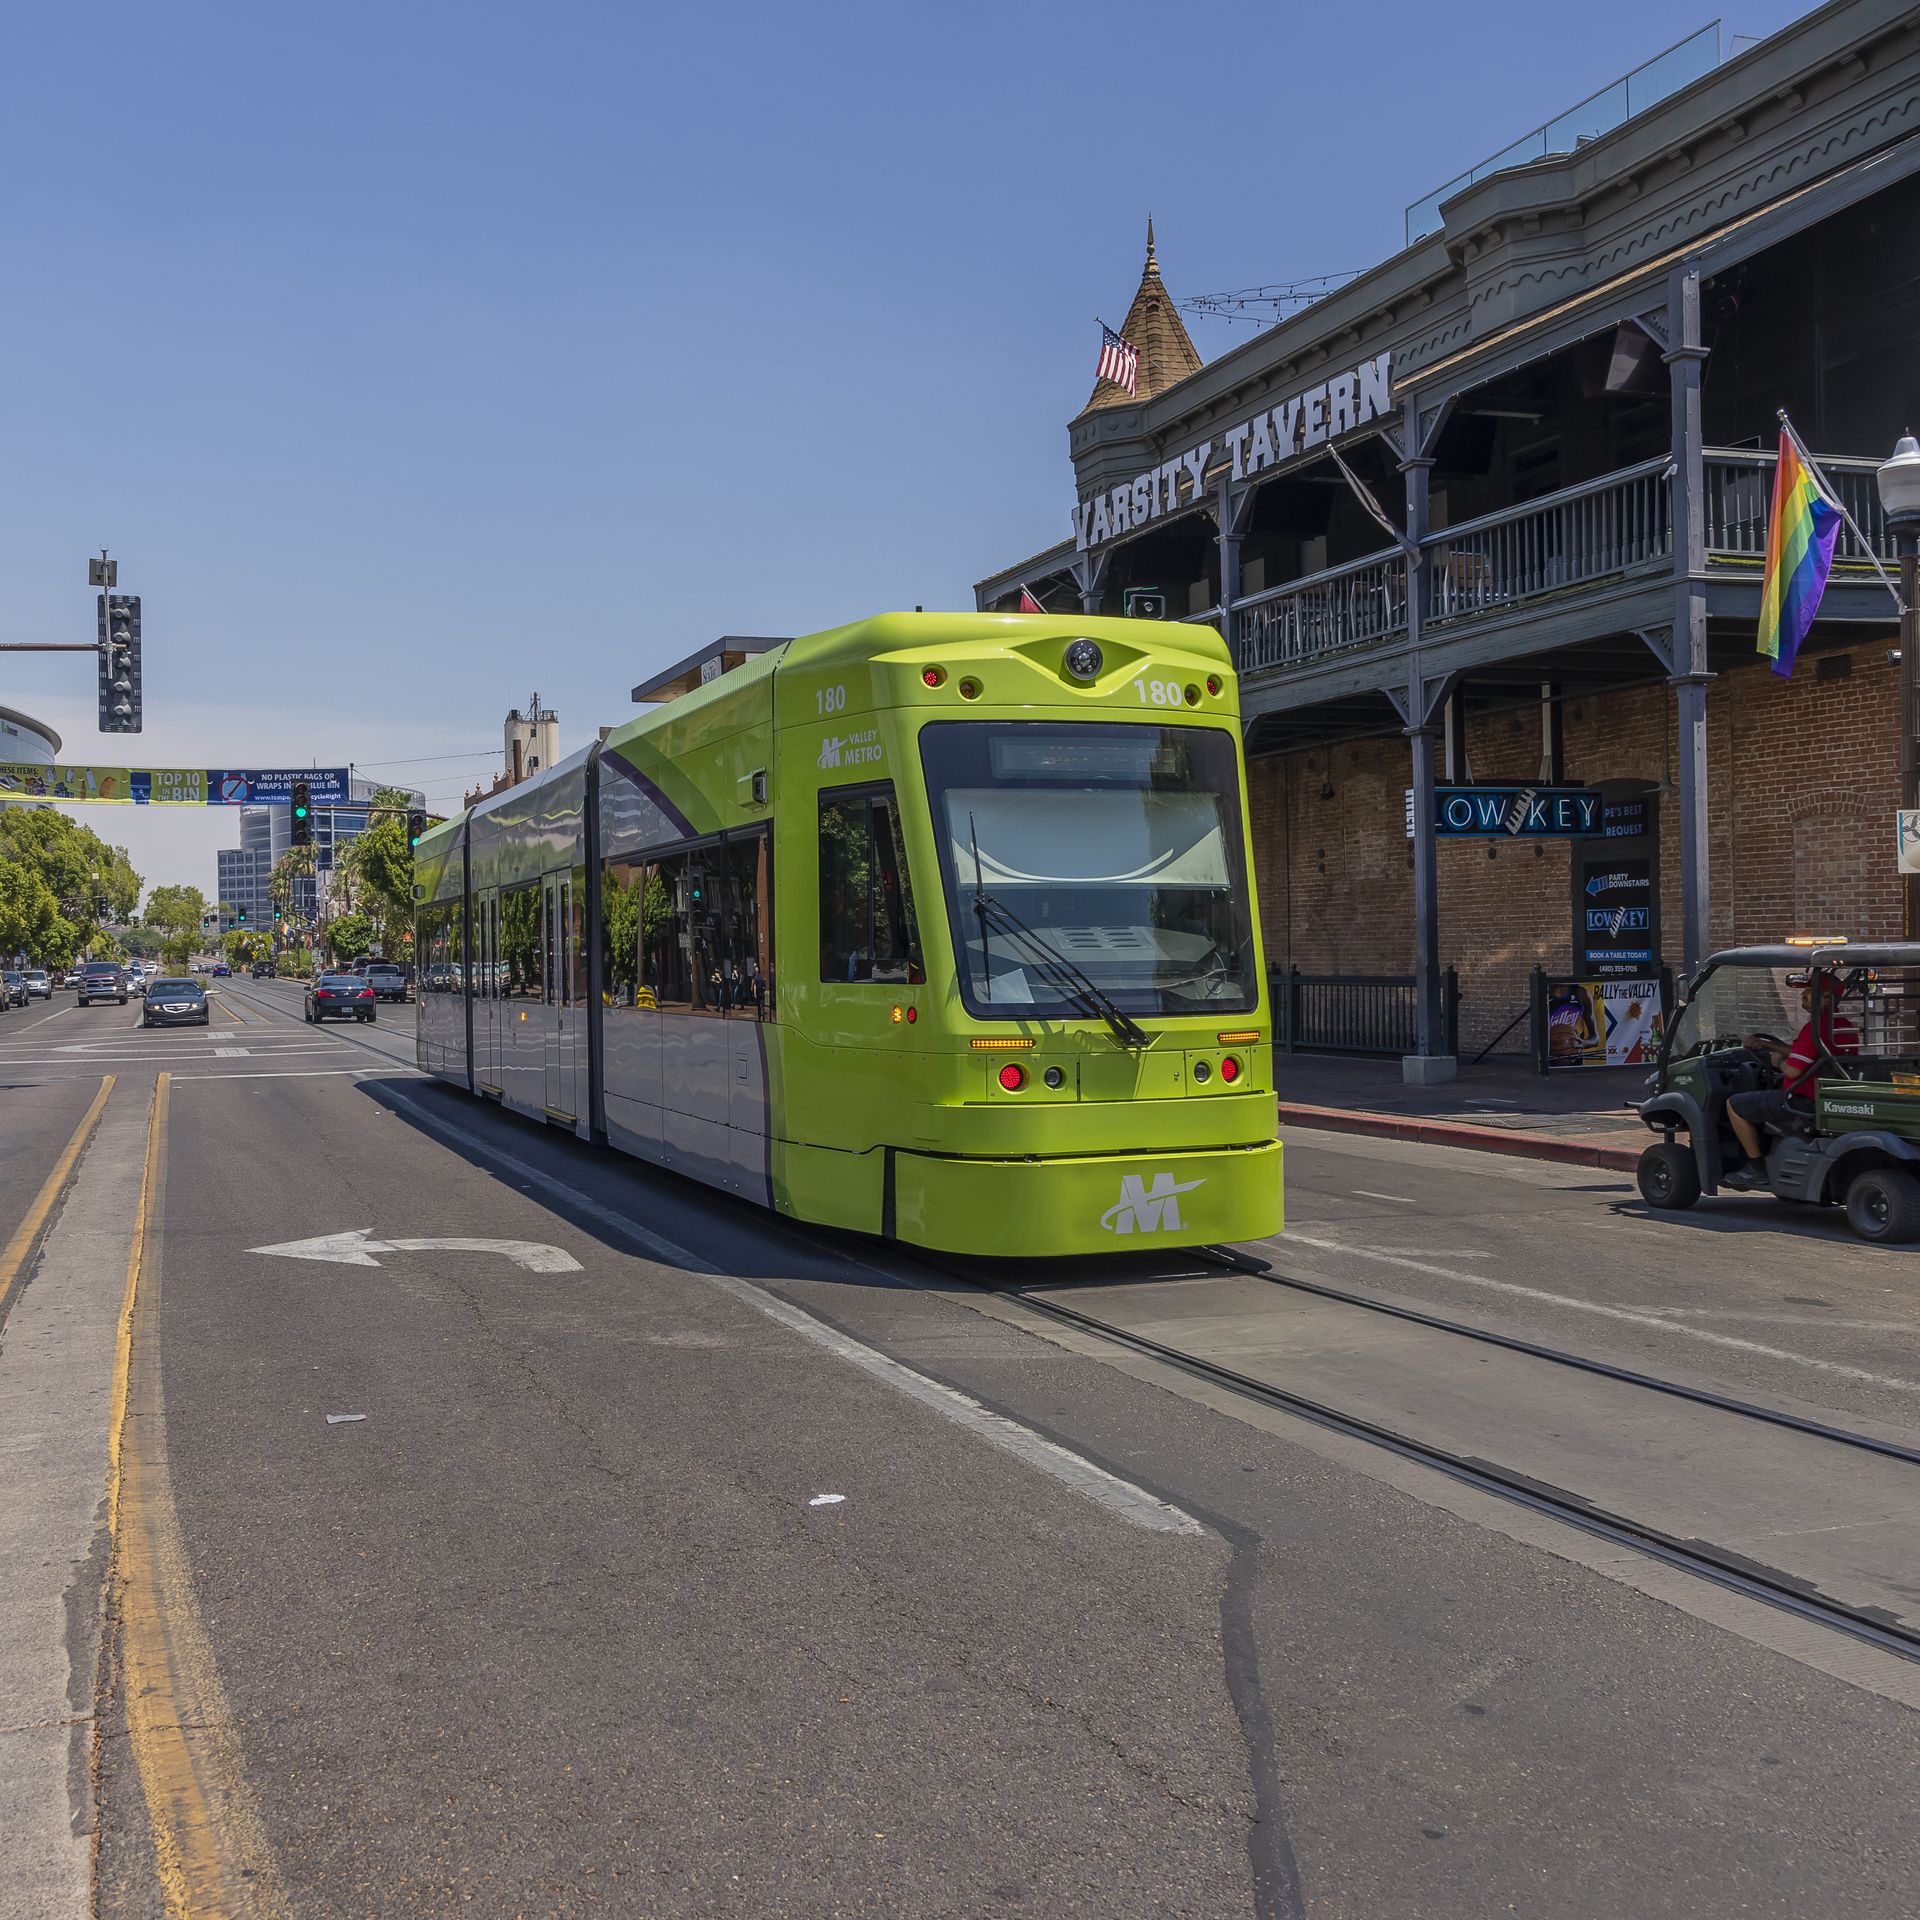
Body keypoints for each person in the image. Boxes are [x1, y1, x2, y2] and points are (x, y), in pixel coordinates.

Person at [1725, 976, 1858, 1179]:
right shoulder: (1842, 1025)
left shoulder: (1816, 1028)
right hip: (1828, 1096)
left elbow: (1793, 1071)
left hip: (1802, 1100)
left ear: (1827, 998)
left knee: (1735, 1105)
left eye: (1810, 991)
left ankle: (1756, 1167)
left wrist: (1778, 1061)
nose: (1803, 995)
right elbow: (1803, 1052)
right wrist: (1766, 1044)